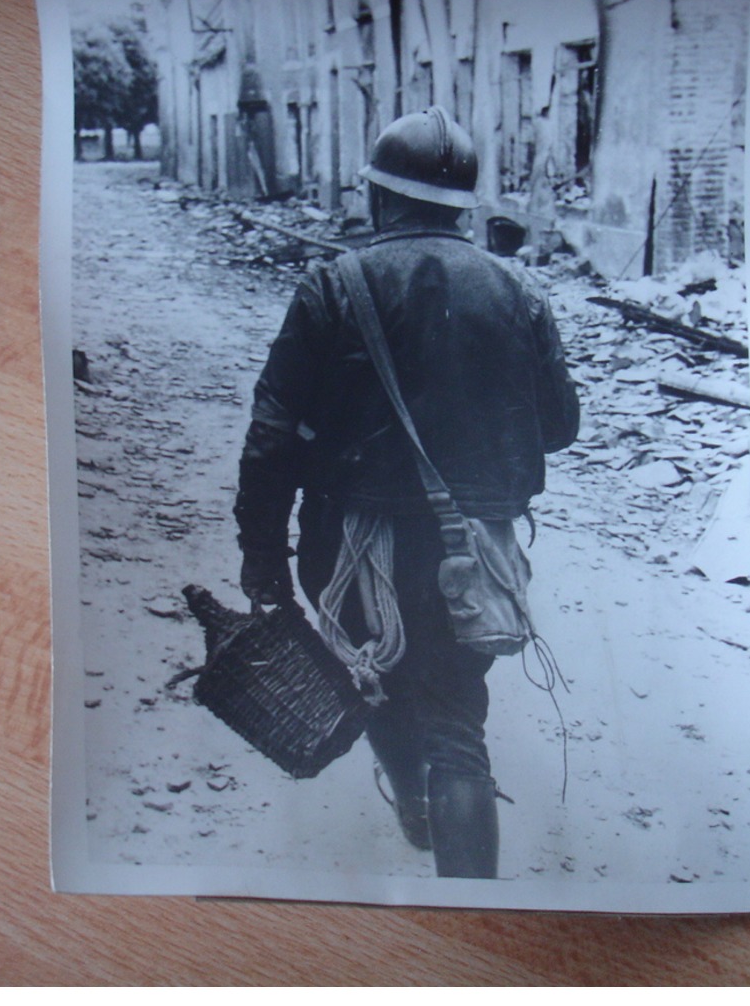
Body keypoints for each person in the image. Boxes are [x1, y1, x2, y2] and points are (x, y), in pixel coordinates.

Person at [233, 105, 580, 878]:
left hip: (350, 548)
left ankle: (417, 805)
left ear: (378, 198)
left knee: (375, 678)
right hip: (470, 556)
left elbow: (271, 438)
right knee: (458, 722)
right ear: (464, 207)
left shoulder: (333, 287)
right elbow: (558, 427)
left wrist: (263, 559)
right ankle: (473, 905)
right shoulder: (517, 292)